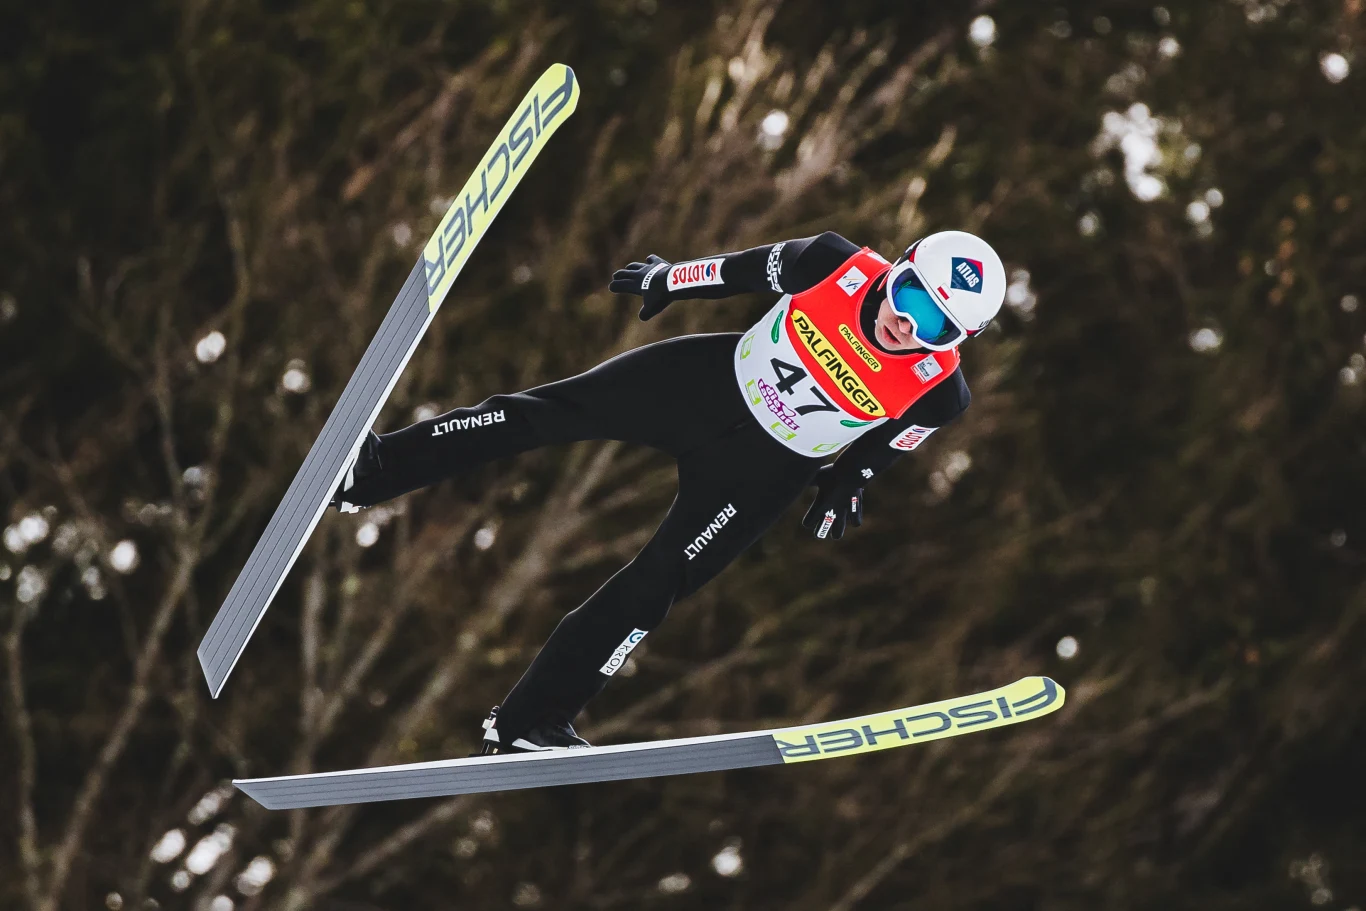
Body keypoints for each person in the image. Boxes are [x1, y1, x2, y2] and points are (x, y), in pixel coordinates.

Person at [331, 230, 1006, 753]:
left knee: (656, 586)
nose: (909, 326)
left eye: (939, 327)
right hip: (701, 385)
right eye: (912, 297)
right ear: (900, 267)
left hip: (762, 471)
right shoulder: (832, 263)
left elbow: (883, 448)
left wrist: (846, 486)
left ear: (959, 341)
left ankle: (531, 720)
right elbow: (737, 269)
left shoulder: (939, 392)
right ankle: (373, 472)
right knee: (540, 412)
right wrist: (666, 279)